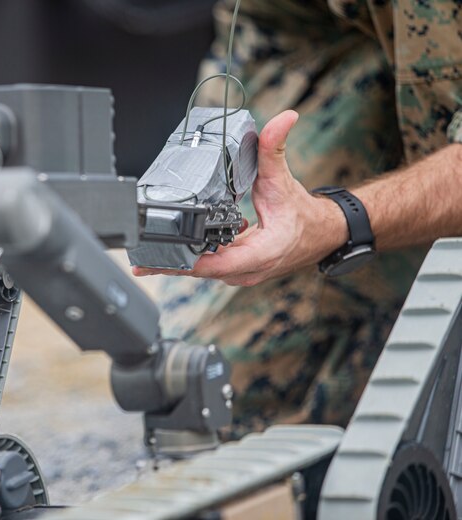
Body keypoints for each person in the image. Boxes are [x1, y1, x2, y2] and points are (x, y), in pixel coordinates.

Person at [134, 0, 462, 438]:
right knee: (201, 383)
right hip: (354, 60)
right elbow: (259, 37)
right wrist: (197, 180)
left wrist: (338, 222)